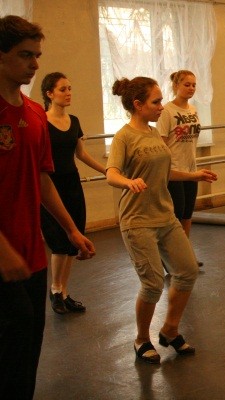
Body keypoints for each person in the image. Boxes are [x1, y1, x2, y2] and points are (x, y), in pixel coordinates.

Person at [0, 15, 95, 400]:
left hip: (31, 254)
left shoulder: (34, 113)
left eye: (37, 55)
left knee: (28, 345)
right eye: (26, 55)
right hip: (3, 254)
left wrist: (71, 229)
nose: (35, 64)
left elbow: (41, 178)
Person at [106, 76, 217, 364]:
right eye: (156, 102)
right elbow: (111, 173)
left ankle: (169, 329)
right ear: (138, 105)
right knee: (153, 283)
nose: (161, 106)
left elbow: (165, 171)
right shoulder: (124, 137)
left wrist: (194, 175)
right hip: (137, 220)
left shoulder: (155, 133)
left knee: (187, 271)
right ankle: (142, 339)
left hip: (164, 216)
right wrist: (127, 182)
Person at [40, 72, 106, 314]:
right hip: (49, 186)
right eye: (63, 89)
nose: (68, 93)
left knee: (72, 242)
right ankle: (55, 290)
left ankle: (64, 292)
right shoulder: (41, 121)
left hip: (72, 185)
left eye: (70, 88)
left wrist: (107, 170)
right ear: (49, 93)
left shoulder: (74, 121)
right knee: (58, 242)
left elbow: (81, 154)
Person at [156, 70, 203, 268]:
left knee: (187, 215)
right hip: (174, 172)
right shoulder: (166, 111)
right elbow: (161, 144)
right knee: (175, 215)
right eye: (187, 84)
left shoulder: (193, 110)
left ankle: (184, 254)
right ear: (176, 86)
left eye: (193, 85)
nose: (191, 88)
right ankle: (169, 256)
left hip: (191, 170)